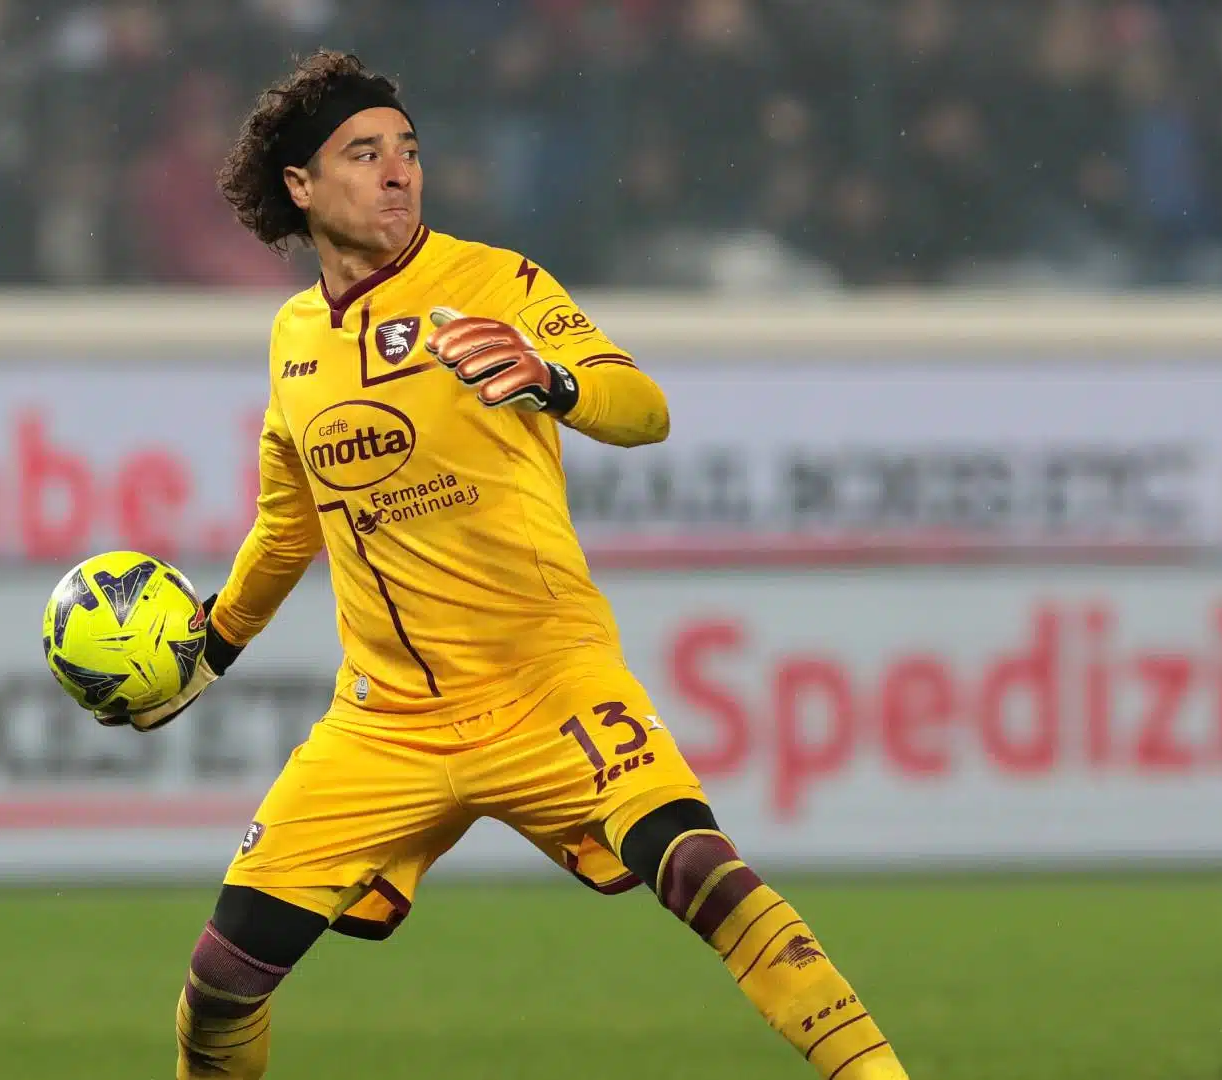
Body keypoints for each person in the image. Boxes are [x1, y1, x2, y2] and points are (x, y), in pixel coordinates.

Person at [153, 49, 911, 1080]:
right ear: (301, 186)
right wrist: (212, 650)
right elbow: (290, 526)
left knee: (701, 871)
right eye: (365, 153)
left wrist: (552, 380)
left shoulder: (493, 281)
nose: (397, 173)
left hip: (545, 678)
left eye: (408, 151)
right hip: (389, 722)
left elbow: (641, 405)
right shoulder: (293, 340)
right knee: (222, 982)